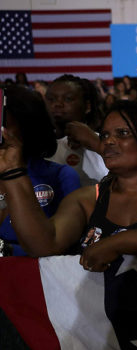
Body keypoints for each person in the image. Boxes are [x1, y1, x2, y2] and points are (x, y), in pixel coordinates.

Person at [0, 100, 137, 268]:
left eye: (122, 133)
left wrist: (117, 243)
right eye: (106, 134)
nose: (108, 141)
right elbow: (44, 245)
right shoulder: (86, 199)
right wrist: (12, 172)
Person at [0, 86, 81, 256]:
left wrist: (7, 250)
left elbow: (68, 247)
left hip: (35, 277)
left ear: (26, 125)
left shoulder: (61, 176)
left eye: (4, 125)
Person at [45, 74, 109, 185]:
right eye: (51, 99)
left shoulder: (103, 143)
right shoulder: (37, 145)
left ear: (87, 106)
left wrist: (96, 143)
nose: (57, 104)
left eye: (68, 99)